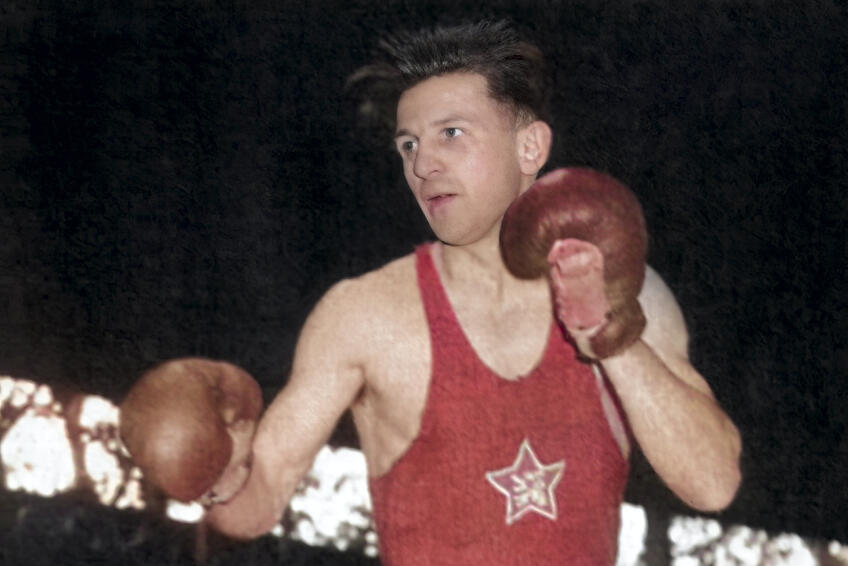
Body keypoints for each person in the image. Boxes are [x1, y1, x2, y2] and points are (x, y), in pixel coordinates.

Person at [145, 20, 741, 565]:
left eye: (451, 134)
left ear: (529, 147)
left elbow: (713, 482)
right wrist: (210, 473)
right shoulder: (364, 315)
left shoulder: (625, 284)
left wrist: (610, 337)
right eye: (409, 145)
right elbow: (262, 497)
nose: (424, 163)